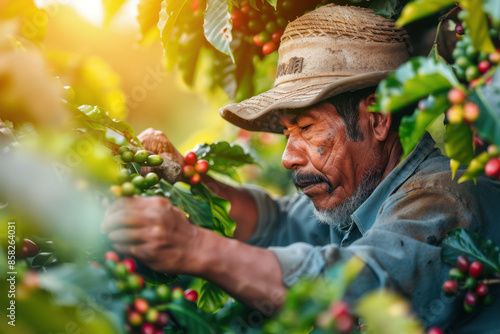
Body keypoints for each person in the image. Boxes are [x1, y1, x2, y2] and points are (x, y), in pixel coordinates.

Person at [101, 4, 500, 332]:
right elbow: (274, 221)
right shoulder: (358, 191)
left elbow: (356, 287)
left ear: (377, 119)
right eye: (289, 132)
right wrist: (187, 182)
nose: (288, 157)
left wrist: (194, 247)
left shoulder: (440, 196)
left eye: (307, 128)